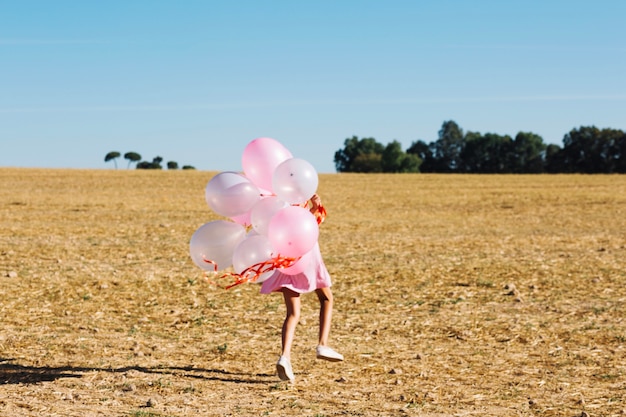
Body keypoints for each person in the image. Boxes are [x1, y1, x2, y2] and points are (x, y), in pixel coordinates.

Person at [259, 193, 343, 382]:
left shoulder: (278, 209)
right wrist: (314, 208)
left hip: (288, 260)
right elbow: (307, 227)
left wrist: (312, 209)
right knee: (326, 299)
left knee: (293, 313)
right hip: (308, 257)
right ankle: (322, 344)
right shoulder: (296, 204)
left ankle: (285, 357)